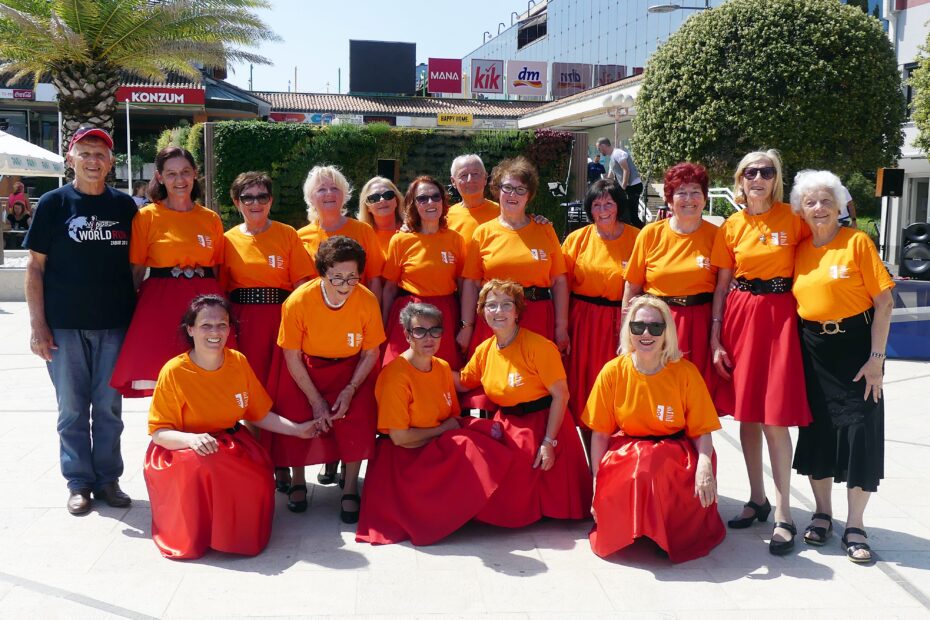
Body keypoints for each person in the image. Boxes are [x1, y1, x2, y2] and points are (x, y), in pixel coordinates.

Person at [144, 295, 325, 560]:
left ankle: (234, 536)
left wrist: (297, 429)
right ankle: (200, 535)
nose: (215, 332)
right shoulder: (174, 371)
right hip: (181, 449)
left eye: (222, 325)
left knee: (257, 478)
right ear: (190, 329)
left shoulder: (238, 361)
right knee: (206, 463)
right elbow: (159, 433)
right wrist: (192, 440)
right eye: (206, 325)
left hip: (231, 442)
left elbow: (258, 414)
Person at [24, 126, 137, 515]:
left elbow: (135, 268)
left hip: (114, 325)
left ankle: (108, 480)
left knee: (108, 408)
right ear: (70, 158)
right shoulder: (53, 204)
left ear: (111, 162)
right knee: (71, 409)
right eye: (85, 153)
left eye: (100, 154)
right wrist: (38, 325)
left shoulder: (124, 207)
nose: (93, 161)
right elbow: (35, 267)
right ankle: (79, 483)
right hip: (64, 328)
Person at [710, 149, 812, 555]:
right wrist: (716, 337)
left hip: (780, 316)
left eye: (766, 172)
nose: (758, 178)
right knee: (748, 415)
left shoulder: (794, 218)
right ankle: (758, 499)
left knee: (775, 417)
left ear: (776, 178)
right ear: (740, 179)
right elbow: (722, 285)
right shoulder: (731, 225)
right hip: (741, 317)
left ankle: (785, 512)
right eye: (750, 172)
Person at [790, 170, 894, 564]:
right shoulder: (799, 249)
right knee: (817, 432)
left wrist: (876, 359)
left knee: (859, 432)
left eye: (826, 201)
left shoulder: (857, 243)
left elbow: (884, 303)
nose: (819, 208)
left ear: (839, 207)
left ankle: (855, 525)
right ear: (801, 210)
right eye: (811, 202)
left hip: (856, 349)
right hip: (813, 349)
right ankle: (822, 514)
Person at [356, 302, 514, 546]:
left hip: (430, 447)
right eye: (420, 331)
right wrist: (443, 430)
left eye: (435, 331)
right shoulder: (395, 376)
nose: (428, 338)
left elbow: (451, 417)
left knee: (490, 445)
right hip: (401, 458)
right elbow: (399, 438)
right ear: (407, 336)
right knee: (468, 447)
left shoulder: (441, 367)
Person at [582, 295, 724, 563]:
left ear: (666, 332)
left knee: (652, 463)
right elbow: (599, 434)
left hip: (678, 451)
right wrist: (596, 483)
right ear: (629, 330)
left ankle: (665, 533)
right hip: (628, 449)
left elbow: (702, 430)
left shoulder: (685, 372)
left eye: (655, 327)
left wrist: (705, 464)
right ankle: (635, 528)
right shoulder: (613, 371)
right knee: (642, 463)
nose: (646, 334)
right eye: (638, 327)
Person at [454, 280, 592, 527]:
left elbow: (561, 395)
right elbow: (464, 382)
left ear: (518, 311)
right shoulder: (485, 350)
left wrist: (548, 442)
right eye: (491, 305)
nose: (498, 311)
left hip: (544, 423)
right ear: (482, 311)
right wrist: (424, 366)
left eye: (506, 305)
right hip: (507, 423)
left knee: (513, 472)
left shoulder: (540, 347)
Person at [275, 236, 385, 522]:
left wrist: (350, 389)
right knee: (296, 411)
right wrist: (315, 400)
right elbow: (291, 356)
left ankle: (350, 488)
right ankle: (298, 479)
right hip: (307, 368)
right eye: (337, 277)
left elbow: (371, 353)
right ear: (323, 272)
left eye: (352, 277)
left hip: (352, 370)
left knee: (358, 415)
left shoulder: (367, 300)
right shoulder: (298, 301)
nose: (345, 285)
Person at [220, 171, 315, 492]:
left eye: (262, 196)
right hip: (244, 324)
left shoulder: (287, 235)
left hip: (281, 321)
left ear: (271, 200)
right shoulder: (227, 240)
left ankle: (287, 465)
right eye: (248, 197)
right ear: (237, 202)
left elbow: (302, 285)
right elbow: (221, 289)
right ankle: (262, 463)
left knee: (284, 395)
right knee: (252, 395)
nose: (255, 203)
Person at [110, 146, 228, 398]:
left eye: (185, 172)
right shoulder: (147, 217)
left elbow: (218, 270)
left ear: (195, 173)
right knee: (165, 379)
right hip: (160, 306)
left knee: (208, 379)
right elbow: (137, 271)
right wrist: (128, 314)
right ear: (160, 177)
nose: (179, 179)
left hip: (204, 307)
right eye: (171, 173)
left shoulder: (210, 219)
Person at [460, 156, 570, 359]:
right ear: (497, 190)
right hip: (495, 318)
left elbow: (559, 281)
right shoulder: (483, 232)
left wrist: (561, 327)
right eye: (508, 187)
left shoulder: (545, 229)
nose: (513, 194)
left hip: (536, 316)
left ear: (529, 195)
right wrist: (467, 326)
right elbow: (471, 284)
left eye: (521, 189)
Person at [623, 163, 719, 391]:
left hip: (700, 324)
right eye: (681, 192)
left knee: (695, 390)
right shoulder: (650, 234)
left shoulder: (718, 236)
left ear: (705, 198)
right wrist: (626, 334)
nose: (689, 199)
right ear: (669, 200)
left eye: (695, 191)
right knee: (657, 388)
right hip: (657, 324)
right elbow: (632, 287)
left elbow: (726, 282)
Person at [561, 179, 639, 441]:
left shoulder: (637, 238)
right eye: (597, 204)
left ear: (619, 206)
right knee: (585, 389)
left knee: (619, 388)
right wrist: (563, 327)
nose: (603, 210)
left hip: (622, 321)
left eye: (609, 203)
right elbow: (561, 285)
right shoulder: (576, 240)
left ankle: (619, 454)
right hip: (584, 322)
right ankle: (590, 454)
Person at [381, 176, 465, 369]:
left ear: (443, 201)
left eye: (435, 197)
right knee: (400, 369)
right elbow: (390, 289)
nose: (430, 202)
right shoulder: (401, 240)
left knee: (442, 369)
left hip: (444, 313)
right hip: (410, 312)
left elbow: (462, 286)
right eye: (422, 198)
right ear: (413, 204)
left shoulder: (455, 240)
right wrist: (384, 327)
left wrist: (464, 324)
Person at [297, 165, 384, 302]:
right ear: (310, 198)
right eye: (321, 189)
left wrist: (374, 312)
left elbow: (374, 281)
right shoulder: (300, 237)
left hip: (357, 309)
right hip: (316, 310)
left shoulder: (364, 230)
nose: (329, 193)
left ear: (344, 195)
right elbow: (301, 286)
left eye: (335, 188)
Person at [445, 154, 499, 245]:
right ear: (453, 182)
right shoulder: (446, 217)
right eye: (463, 175)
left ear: (485, 178)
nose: (470, 180)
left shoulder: (501, 213)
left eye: (475, 174)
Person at [596, 137, 644, 228]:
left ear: (603, 146)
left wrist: (623, 188)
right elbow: (610, 177)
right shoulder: (611, 159)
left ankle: (645, 233)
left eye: (599, 148)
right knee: (625, 215)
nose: (599, 151)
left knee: (632, 216)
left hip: (633, 186)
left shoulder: (618, 153)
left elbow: (626, 170)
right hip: (628, 187)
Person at [357, 176, 403, 262]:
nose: (382, 200)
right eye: (374, 198)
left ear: (396, 200)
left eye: (388, 195)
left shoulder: (412, 230)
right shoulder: (360, 236)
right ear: (367, 207)